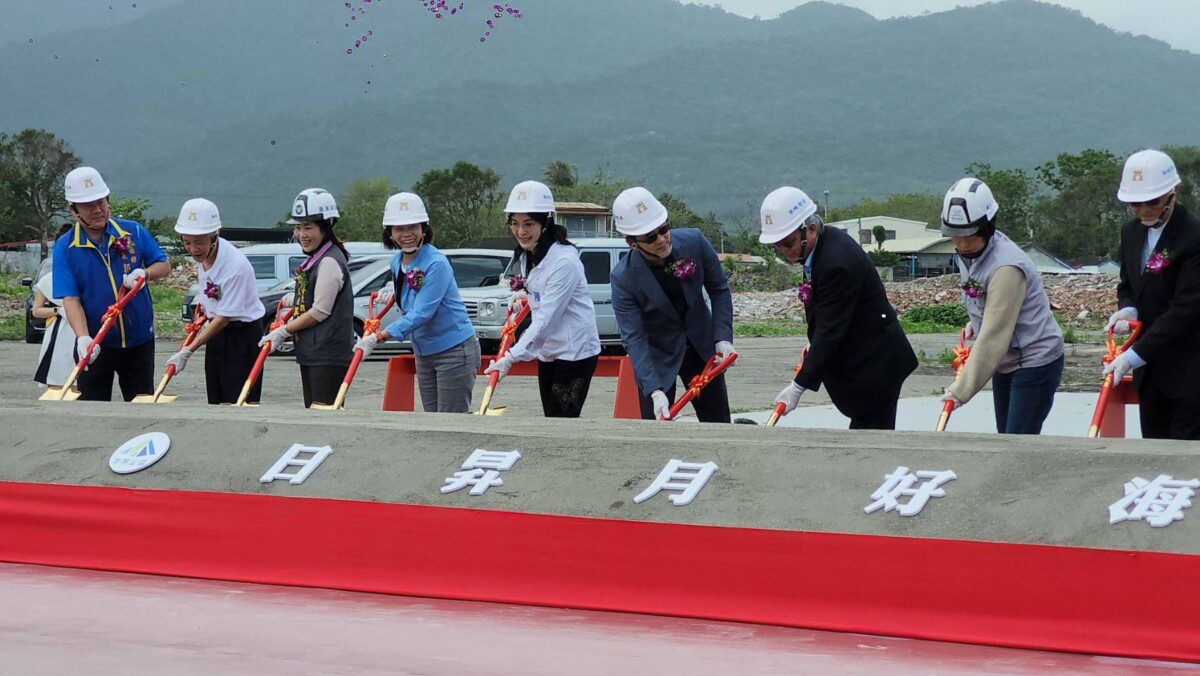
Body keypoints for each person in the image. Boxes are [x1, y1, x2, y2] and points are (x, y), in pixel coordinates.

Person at [762, 186, 916, 430]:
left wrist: (798, 386)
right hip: (864, 357)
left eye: (786, 243)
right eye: (776, 246)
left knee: (870, 443)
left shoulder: (837, 263)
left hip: (877, 364)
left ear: (810, 229)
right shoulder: (818, 249)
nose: (782, 252)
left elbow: (830, 331)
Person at [937, 178, 1064, 434]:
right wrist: (976, 321)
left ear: (987, 227)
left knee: (1016, 443)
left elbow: (994, 337)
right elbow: (984, 303)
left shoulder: (1007, 267)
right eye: (955, 235)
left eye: (968, 236)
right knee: (1003, 439)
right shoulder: (969, 253)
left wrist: (960, 391)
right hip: (1005, 360)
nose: (961, 244)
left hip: (1034, 360)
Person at [610, 186, 735, 422]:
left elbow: (719, 290)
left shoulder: (694, 242)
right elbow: (634, 338)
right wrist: (654, 390)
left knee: (718, 425)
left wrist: (723, 338)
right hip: (658, 359)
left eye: (664, 229)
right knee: (658, 429)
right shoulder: (623, 278)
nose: (661, 239)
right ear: (631, 243)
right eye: (650, 237)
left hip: (702, 351)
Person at [353, 192, 480, 413]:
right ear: (390, 233)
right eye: (399, 229)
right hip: (423, 351)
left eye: (413, 227)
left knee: (451, 422)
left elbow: (422, 312)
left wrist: (380, 336)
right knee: (430, 421)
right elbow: (407, 301)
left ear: (424, 227)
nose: (407, 234)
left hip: (454, 350)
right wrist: (392, 288)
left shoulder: (436, 263)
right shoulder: (396, 261)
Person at [484, 180, 601, 418]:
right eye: (515, 223)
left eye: (529, 223)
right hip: (549, 351)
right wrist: (523, 296)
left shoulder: (564, 262)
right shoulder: (530, 255)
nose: (521, 231)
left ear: (545, 222)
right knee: (551, 416)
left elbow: (546, 318)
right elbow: (539, 292)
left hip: (574, 352)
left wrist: (511, 357)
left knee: (562, 420)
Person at [52, 166, 171, 401]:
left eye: (101, 202)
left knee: (142, 406)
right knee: (93, 410)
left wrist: (145, 274)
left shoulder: (132, 231)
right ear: (72, 209)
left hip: (139, 342)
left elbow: (164, 265)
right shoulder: (65, 248)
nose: (98, 210)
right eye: (88, 206)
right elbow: (71, 298)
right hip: (96, 344)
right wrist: (83, 337)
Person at [1105, 149, 1200, 440]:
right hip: (1151, 372)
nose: (1144, 209)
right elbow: (1128, 285)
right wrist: (1128, 309)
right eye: (1135, 203)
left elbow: (1185, 308)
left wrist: (1134, 355)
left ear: (1173, 193)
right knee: (1152, 453)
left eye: (1153, 202)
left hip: (1189, 371)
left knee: (1185, 464)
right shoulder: (1131, 233)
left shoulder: (1193, 235)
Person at [164, 199, 267, 405]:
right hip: (218, 335)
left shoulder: (235, 266)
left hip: (241, 336)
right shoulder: (205, 257)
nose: (193, 249)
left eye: (199, 242)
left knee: (237, 400)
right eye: (187, 242)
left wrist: (188, 350)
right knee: (216, 397)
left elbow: (223, 318)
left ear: (214, 236)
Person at [259, 188, 354, 408]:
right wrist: (294, 300)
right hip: (314, 352)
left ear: (326, 227)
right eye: (298, 228)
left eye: (308, 227)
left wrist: (284, 330)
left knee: (324, 415)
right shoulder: (316, 259)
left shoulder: (329, 261)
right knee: (313, 412)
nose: (302, 234)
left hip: (327, 354)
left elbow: (320, 311)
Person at [32, 267, 78, 389]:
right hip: (58, 331)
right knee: (56, 371)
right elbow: (36, 311)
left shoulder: (84, 275)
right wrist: (58, 310)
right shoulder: (47, 280)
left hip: (83, 327)